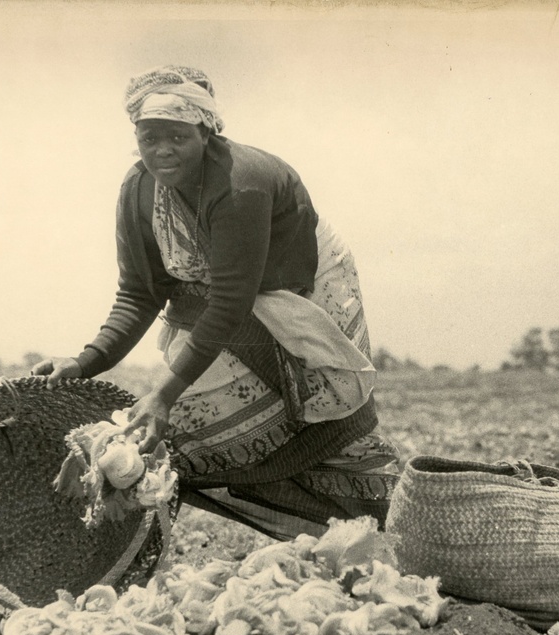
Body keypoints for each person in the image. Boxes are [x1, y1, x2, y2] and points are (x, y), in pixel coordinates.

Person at [32, 65, 399, 540]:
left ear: (206, 133)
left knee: (316, 410)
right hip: (218, 293)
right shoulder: (138, 191)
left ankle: (380, 517)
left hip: (299, 283)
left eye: (177, 136)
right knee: (212, 423)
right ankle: (311, 519)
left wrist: (163, 396)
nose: (161, 150)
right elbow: (140, 293)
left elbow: (229, 301)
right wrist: (85, 363)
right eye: (149, 137)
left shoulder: (240, 182)